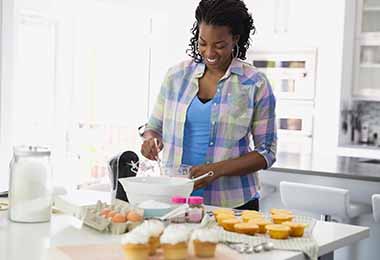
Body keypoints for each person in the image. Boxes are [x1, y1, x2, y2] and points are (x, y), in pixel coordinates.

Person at [141, 0, 277, 210]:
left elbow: (266, 152)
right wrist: (150, 141)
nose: (210, 52)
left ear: (236, 39)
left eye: (219, 45)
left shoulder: (254, 83)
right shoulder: (176, 76)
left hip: (233, 203)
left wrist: (216, 170)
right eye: (203, 43)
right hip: (176, 200)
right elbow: (153, 128)